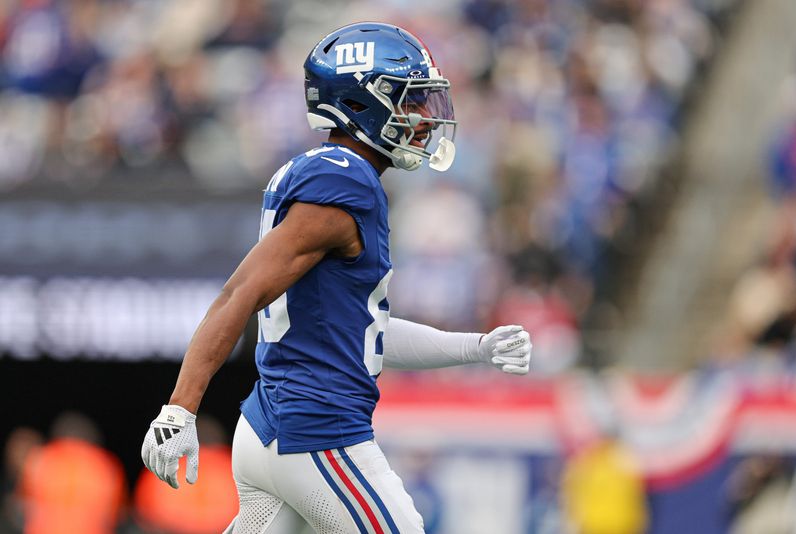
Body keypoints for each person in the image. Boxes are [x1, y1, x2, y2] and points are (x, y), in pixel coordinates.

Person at [140, 22, 532, 534]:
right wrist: (180, 408)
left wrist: (474, 347)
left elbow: (362, 334)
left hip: (272, 426)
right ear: (362, 103)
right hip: (317, 432)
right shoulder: (345, 183)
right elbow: (241, 292)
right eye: (408, 101)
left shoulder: (331, 175)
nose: (421, 118)